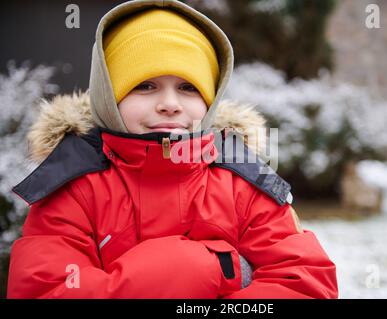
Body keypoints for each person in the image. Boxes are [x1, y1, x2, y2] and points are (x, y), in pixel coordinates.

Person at [7, 0, 338, 298]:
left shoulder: (243, 181)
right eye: (145, 86)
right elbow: (46, 289)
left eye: (187, 87)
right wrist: (205, 268)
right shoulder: (73, 187)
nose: (169, 104)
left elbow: (305, 281)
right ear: (109, 97)